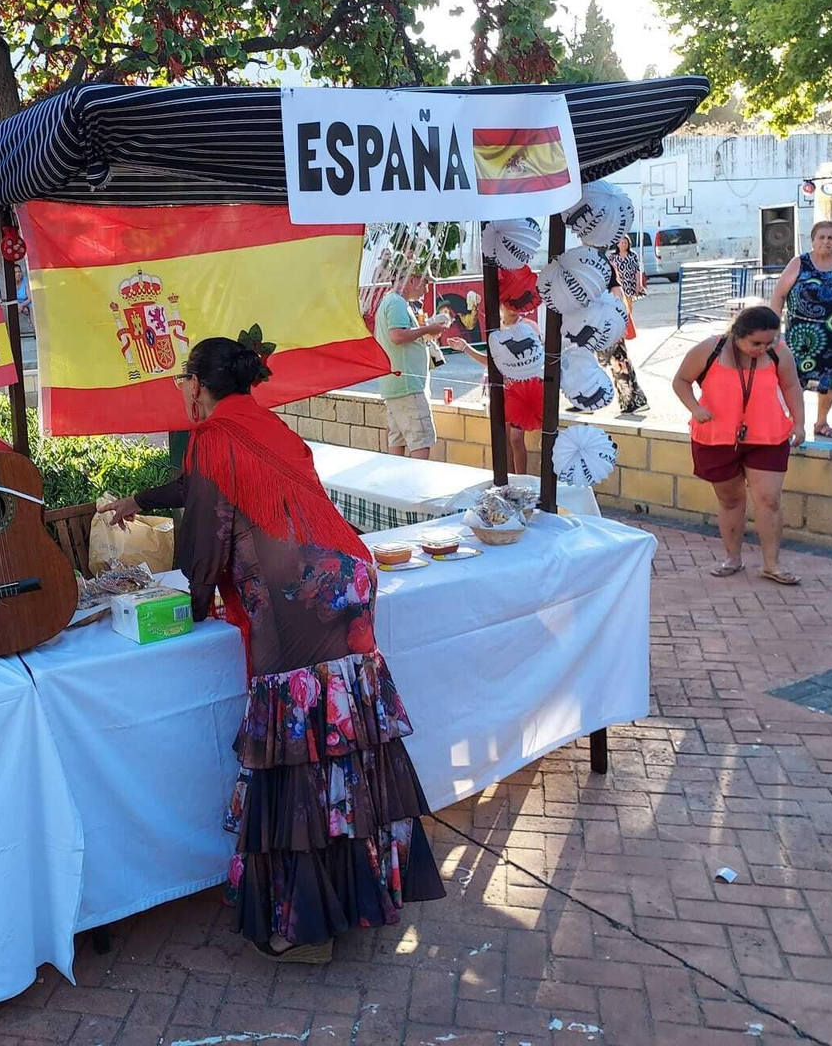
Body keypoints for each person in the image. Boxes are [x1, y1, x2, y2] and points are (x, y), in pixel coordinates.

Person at [98, 335, 445, 963]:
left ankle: (308, 926)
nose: (180, 390)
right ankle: (364, 892)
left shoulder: (213, 437)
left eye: (182, 380)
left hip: (292, 612)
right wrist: (140, 500)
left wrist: (193, 600)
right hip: (346, 581)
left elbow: (208, 533)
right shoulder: (261, 425)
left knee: (298, 759)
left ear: (199, 386)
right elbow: (206, 487)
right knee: (346, 746)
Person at [672, 305, 806, 585]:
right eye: (756, 343)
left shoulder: (778, 351)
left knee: (769, 500)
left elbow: (792, 386)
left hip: (767, 436)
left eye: (770, 341)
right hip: (717, 437)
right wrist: (695, 408)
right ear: (737, 334)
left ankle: (772, 564)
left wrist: (799, 423)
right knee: (731, 500)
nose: (763, 347)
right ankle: (733, 558)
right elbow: (681, 381)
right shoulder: (710, 349)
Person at [769, 220, 832, 441]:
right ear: (812, 240)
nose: (826, 241)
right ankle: (792, 423)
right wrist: (772, 329)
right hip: (801, 334)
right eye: (821, 237)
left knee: (830, 380)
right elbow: (778, 296)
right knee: (795, 378)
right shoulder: (800, 263)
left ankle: (821, 423)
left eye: (831, 237)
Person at [446, 274, 542, 476]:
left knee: (516, 438)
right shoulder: (495, 330)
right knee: (504, 438)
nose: (512, 308)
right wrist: (465, 348)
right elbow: (492, 363)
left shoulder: (529, 327)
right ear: (500, 305)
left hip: (524, 389)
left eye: (515, 304)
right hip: (503, 389)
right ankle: (506, 481)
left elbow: (537, 359)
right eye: (508, 304)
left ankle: (521, 478)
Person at [373, 271, 449, 459]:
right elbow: (397, 336)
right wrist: (428, 329)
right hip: (408, 387)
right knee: (420, 440)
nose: (427, 287)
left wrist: (425, 330)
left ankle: (396, 486)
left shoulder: (390, 301)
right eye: (425, 282)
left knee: (397, 440)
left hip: (396, 385)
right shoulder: (398, 302)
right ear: (412, 280)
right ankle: (415, 486)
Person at [597, 249, 650, 415]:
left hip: (608, 324)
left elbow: (616, 295)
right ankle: (634, 401)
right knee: (618, 362)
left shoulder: (603, 268)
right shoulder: (604, 266)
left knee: (617, 363)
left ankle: (631, 401)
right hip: (608, 323)